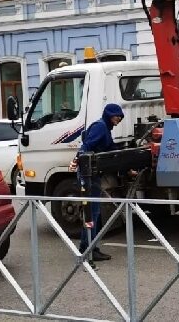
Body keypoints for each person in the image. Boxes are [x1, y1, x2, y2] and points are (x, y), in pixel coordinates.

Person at [70, 103, 125, 262]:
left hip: (92, 174)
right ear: (108, 115)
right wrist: (80, 164)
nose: (119, 120)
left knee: (92, 212)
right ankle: (89, 249)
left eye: (120, 117)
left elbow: (110, 149)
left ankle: (87, 247)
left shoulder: (105, 129)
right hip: (88, 175)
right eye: (116, 116)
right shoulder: (100, 127)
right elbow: (86, 147)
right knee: (92, 212)